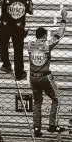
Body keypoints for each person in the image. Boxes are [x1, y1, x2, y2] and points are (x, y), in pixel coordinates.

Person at [28, 9, 67, 137]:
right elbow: (59, 35)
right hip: (45, 77)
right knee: (57, 98)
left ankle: (37, 129)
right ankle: (52, 125)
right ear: (44, 36)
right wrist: (63, 18)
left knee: (37, 102)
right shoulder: (46, 44)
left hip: (33, 77)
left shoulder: (30, 45)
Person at [0, 0, 33, 80]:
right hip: (19, 28)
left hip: (5, 26)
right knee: (18, 51)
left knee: (3, 46)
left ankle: (6, 64)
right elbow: (31, 11)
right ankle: (19, 74)